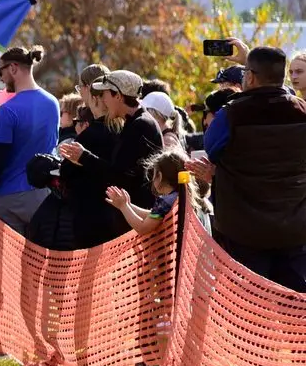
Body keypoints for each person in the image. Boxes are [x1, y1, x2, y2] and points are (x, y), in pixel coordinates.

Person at [196, 47, 306, 291]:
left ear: (251, 77)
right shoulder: (301, 110)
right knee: (295, 310)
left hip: (243, 232)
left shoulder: (231, 115)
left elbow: (210, 148)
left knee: (249, 312)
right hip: (294, 228)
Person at [0, 46, 59, 236]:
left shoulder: (9, 109)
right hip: (43, 195)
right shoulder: (52, 103)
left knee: (9, 264)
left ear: (13, 68)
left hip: (9, 198)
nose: (0, 78)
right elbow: (25, 134)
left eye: (0, 71)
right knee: (40, 261)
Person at [59, 70, 164, 236]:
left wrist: (84, 157)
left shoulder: (140, 125)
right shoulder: (135, 122)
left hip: (138, 219)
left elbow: (119, 176)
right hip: (134, 215)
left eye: (105, 95)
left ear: (118, 96)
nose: (104, 101)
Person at [106, 149, 209, 235]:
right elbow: (152, 214)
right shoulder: (181, 196)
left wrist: (124, 207)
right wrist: (128, 205)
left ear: (159, 176)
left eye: (154, 174)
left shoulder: (166, 202)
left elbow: (143, 228)